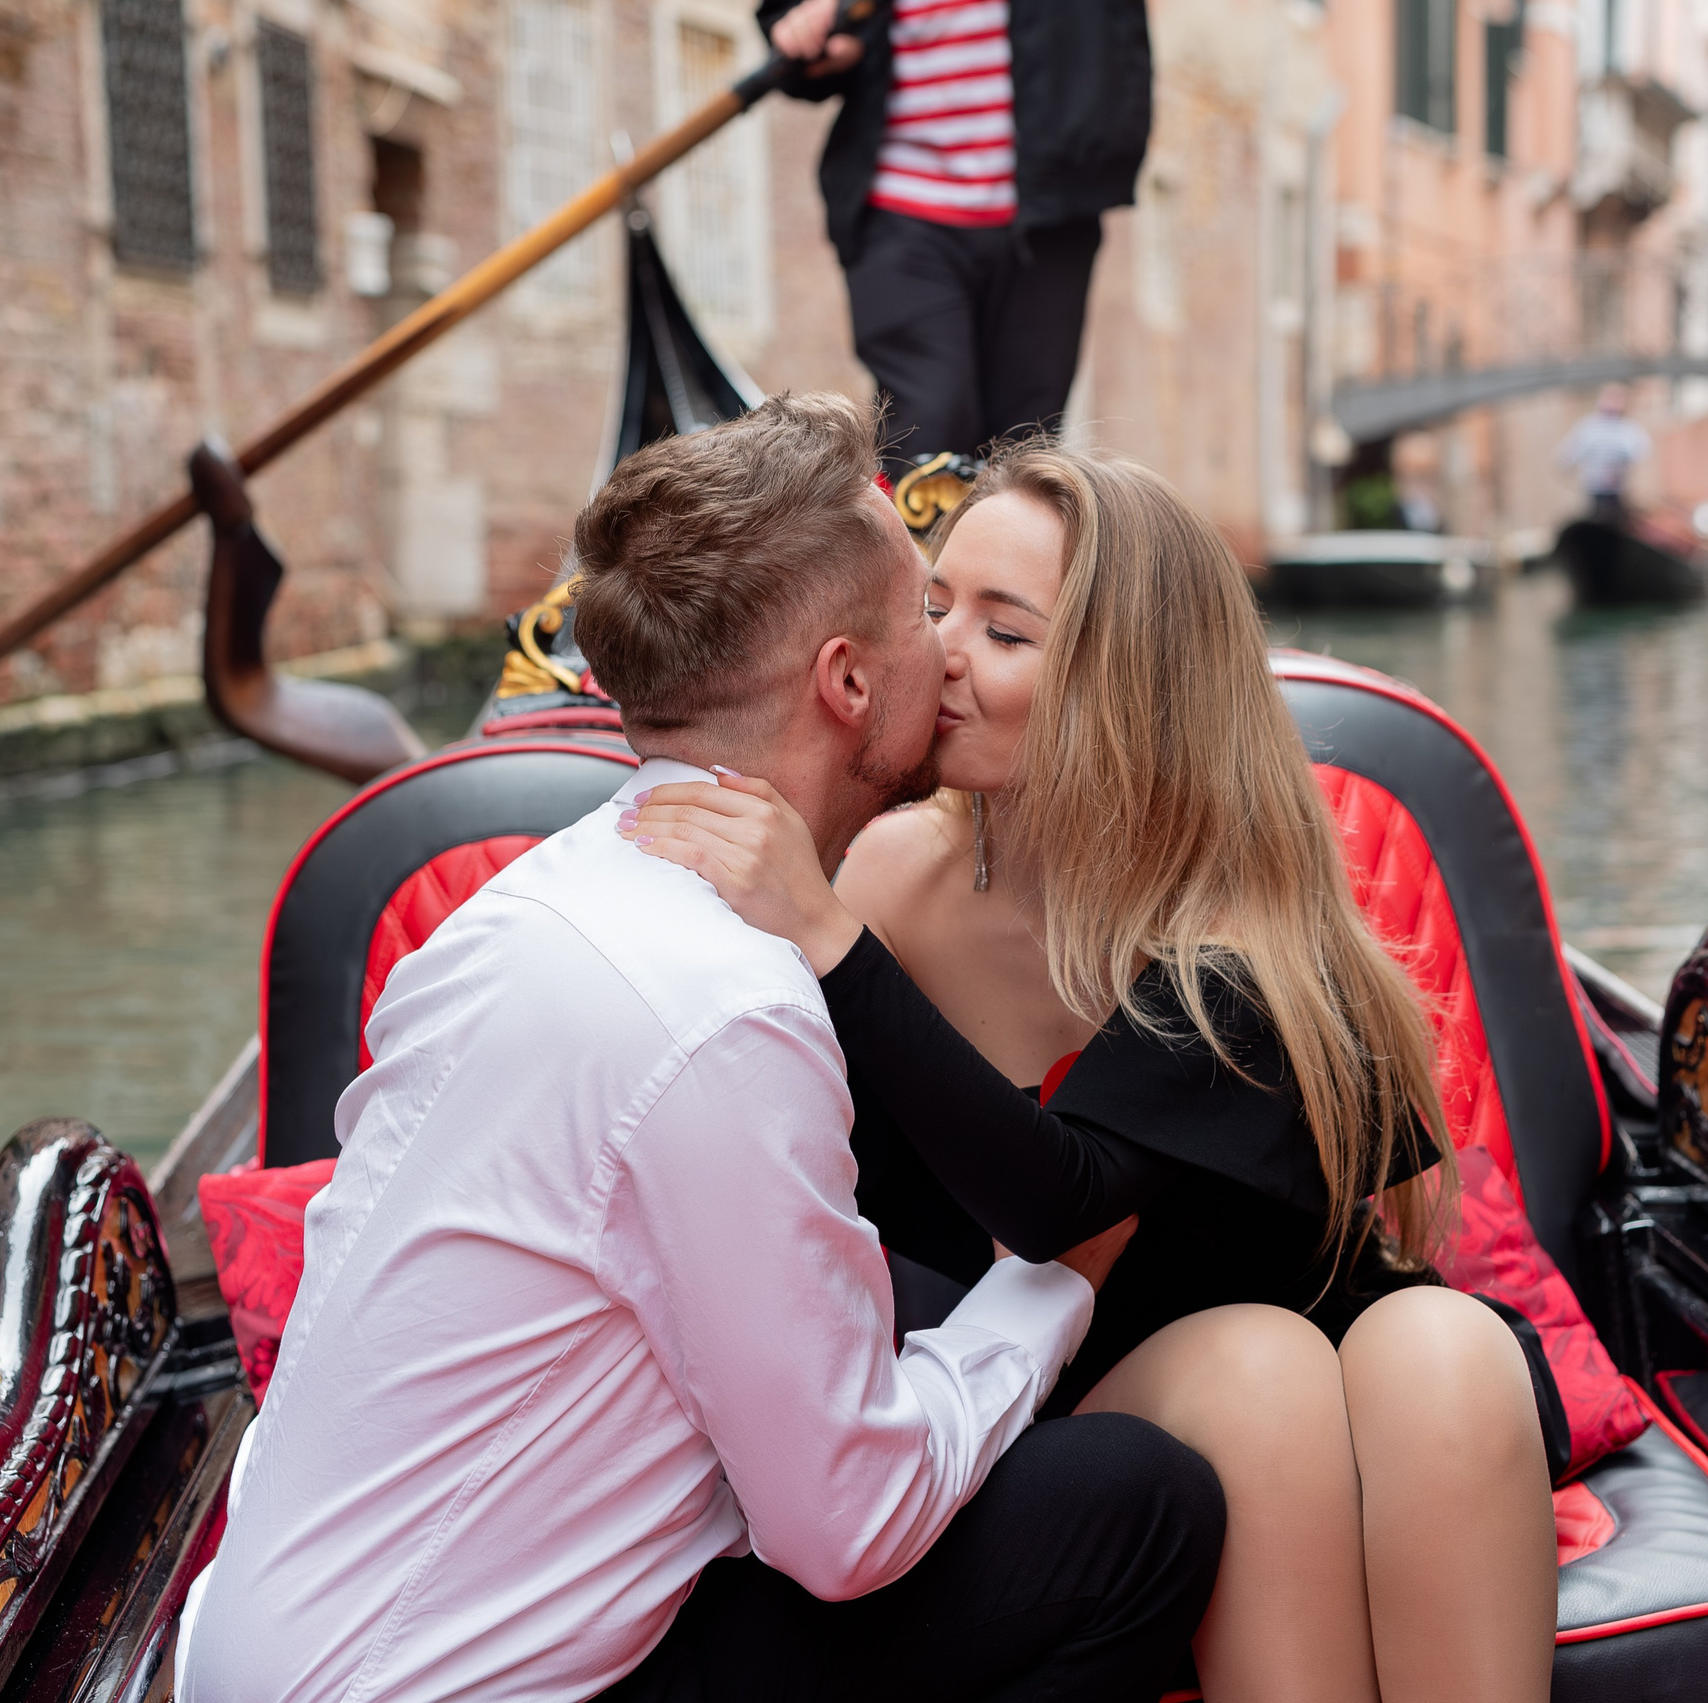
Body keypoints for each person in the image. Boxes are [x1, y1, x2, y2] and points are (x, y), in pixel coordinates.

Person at [175, 396, 1226, 1703]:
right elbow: (849, 1526)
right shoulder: (727, 1006)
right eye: (924, 615)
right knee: (1139, 1503)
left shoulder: (525, 902)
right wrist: (1047, 1285)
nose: (948, 654)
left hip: (265, 1647)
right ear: (847, 680)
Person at [623, 442, 1559, 1703]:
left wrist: (829, 939)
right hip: (1066, 1399)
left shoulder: (1240, 941)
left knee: (1436, 1342)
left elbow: (1058, 1199)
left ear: (1133, 687)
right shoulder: (884, 875)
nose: (941, 652)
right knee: (1255, 1369)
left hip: (1338, 1379)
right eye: (932, 605)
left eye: (1004, 633)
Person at [759, 0, 1152, 475]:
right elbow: (794, 34)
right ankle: (911, 547)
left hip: (1051, 209)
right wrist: (815, 27)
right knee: (928, 425)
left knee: (1023, 448)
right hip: (902, 205)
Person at [1556, 383, 1652, 522]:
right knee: (1597, 523)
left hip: (1618, 491)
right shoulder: (1590, 427)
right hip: (1594, 488)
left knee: (1617, 523)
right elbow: (1568, 455)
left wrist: (1621, 465)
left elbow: (1640, 452)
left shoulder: (1627, 429)